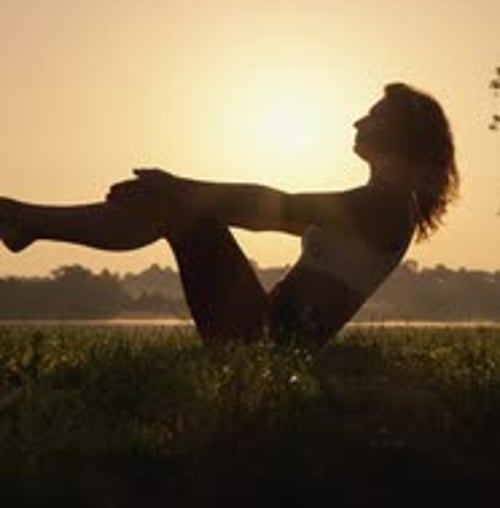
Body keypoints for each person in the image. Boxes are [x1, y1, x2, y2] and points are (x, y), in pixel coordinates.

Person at [0, 82, 458, 347]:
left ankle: (26, 220)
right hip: (261, 335)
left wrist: (180, 188)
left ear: (403, 133)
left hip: (260, 342)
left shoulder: (383, 205)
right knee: (173, 207)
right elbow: (267, 214)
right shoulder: (377, 204)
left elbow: (276, 204)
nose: (358, 122)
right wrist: (177, 195)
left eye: (375, 116)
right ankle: (27, 220)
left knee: (175, 206)